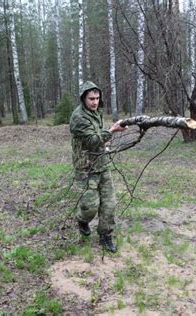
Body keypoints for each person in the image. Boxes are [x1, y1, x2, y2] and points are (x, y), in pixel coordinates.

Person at [69, 81, 127, 253]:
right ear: (83, 98)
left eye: (97, 98)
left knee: (109, 204)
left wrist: (105, 145)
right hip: (86, 168)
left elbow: (98, 138)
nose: (94, 102)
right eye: (91, 98)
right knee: (90, 207)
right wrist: (112, 131)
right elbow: (92, 140)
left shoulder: (97, 112)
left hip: (101, 164)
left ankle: (105, 235)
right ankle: (82, 219)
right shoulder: (78, 117)